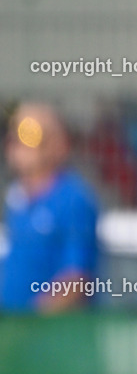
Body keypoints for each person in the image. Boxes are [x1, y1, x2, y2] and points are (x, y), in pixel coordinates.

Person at [1, 102, 100, 313]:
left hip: (51, 337)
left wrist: (30, 324)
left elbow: (75, 280)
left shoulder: (73, 200)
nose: (17, 146)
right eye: (14, 137)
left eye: (29, 136)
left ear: (57, 144)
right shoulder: (17, 200)